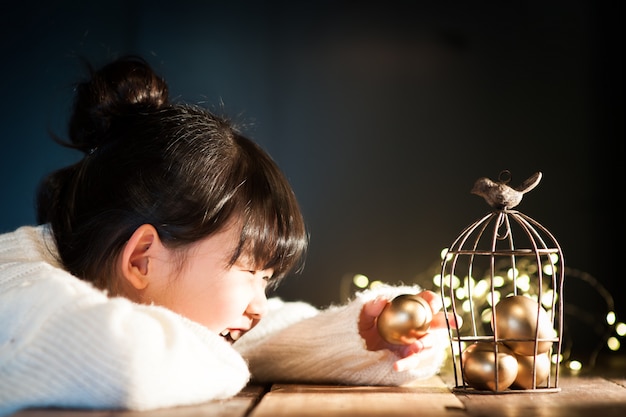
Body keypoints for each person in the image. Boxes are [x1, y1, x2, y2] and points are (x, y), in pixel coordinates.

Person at [0, 55, 455, 416]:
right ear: (142, 258)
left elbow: (269, 331)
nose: (258, 307)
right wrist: (239, 355)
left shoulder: (119, 284)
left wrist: (366, 339)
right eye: (249, 269)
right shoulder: (14, 284)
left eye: (267, 279)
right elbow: (127, 362)